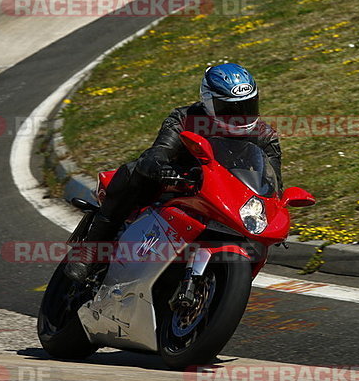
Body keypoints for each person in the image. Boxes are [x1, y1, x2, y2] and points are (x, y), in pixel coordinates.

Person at [64, 62, 282, 282]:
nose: (240, 116)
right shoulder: (184, 119)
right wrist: (161, 168)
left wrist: (274, 214)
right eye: (230, 109)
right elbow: (159, 151)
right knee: (134, 170)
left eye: (247, 106)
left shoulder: (265, 136)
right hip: (179, 185)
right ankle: (92, 249)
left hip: (227, 199)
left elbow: (273, 184)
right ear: (209, 102)